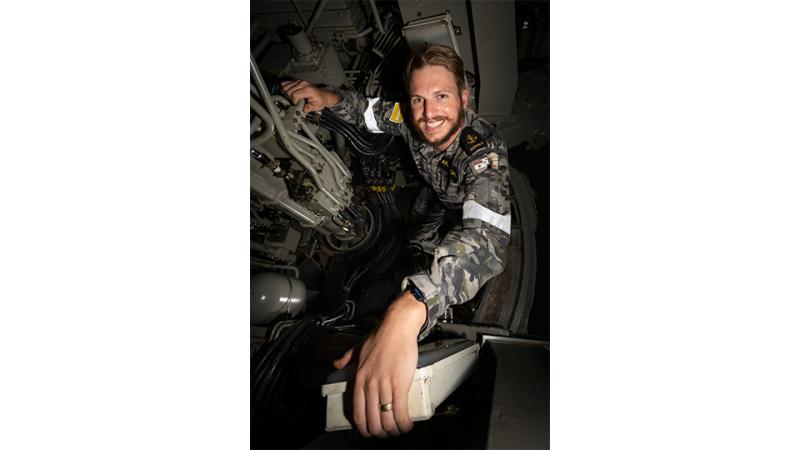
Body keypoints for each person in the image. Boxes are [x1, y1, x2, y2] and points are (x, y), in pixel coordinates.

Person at [281, 45, 511, 439]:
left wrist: (412, 308)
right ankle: (424, 257)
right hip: (434, 194)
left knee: (458, 247)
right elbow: (369, 111)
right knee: (419, 234)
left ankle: (437, 286)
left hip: (466, 203)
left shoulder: (483, 153)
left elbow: (486, 238)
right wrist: (327, 97)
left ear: (463, 97)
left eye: (441, 97)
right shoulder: (408, 115)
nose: (428, 113)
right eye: (419, 99)